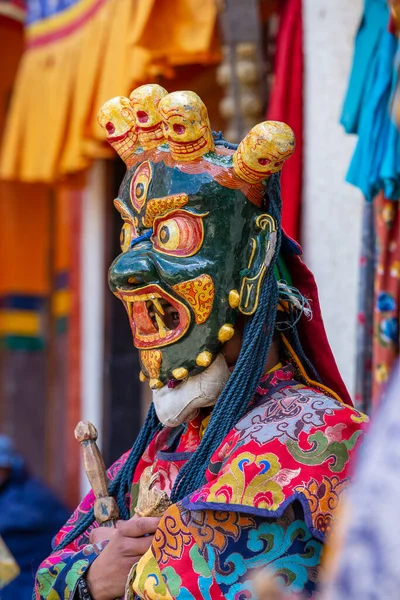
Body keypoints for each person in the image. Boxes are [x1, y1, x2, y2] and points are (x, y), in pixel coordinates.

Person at [34, 86, 368, 600]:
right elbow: (48, 573)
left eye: (171, 235)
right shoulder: (159, 446)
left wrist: (119, 572)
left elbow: (194, 579)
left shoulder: (323, 439)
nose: (125, 271)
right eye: (130, 236)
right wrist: (90, 578)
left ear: (253, 255)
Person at [0, 435, 69, 599]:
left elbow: (12, 526)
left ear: (7, 466)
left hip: (35, 582)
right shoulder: (8, 490)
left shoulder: (28, 496)